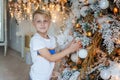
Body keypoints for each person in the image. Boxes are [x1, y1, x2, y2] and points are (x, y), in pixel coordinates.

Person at [29, 9, 81, 80]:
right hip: (37, 77)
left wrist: (69, 45)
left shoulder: (52, 39)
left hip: (47, 76)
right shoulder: (36, 40)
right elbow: (51, 58)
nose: (42, 24)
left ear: (49, 22)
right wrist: (69, 49)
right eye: (39, 21)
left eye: (45, 21)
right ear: (33, 23)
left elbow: (56, 56)